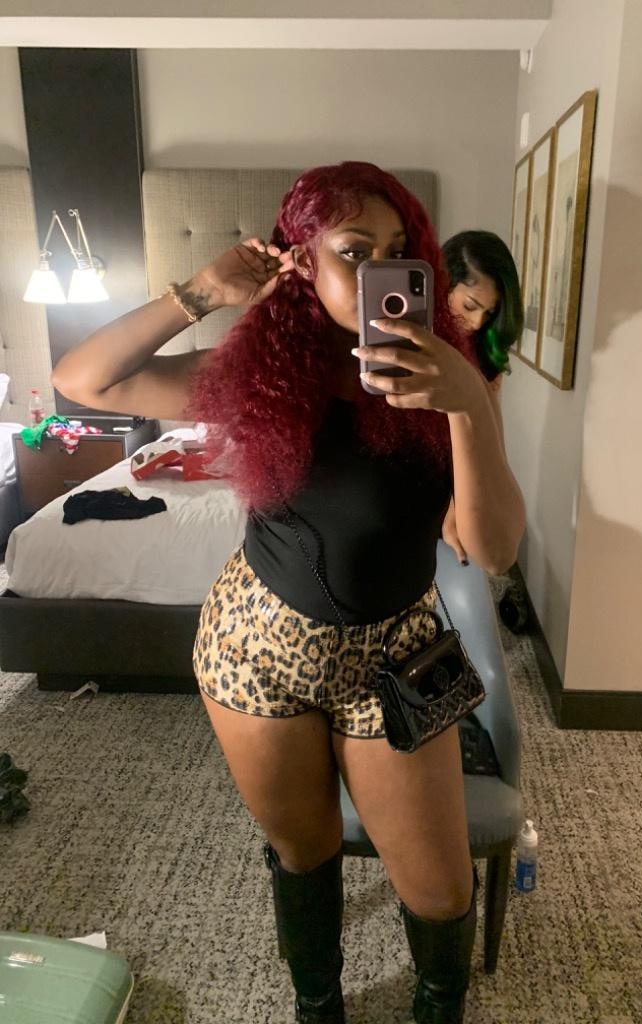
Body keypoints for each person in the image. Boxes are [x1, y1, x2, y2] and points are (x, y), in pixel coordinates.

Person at [52, 162, 526, 1024]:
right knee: (303, 850)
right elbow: (85, 382)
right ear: (302, 260)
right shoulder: (259, 373)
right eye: (355, 251)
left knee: (440, 886)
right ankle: (318, 1006)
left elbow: (492, 549)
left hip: (399, 652)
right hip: (256, 649)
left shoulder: (452, 375)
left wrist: (467, 407)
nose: (383, 270)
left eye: (399, 250)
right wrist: (200, 293)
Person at [441, 230, 523, 568]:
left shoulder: (484, 359)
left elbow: (489, 449)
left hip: (455, 490)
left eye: (489, 313)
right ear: (443, 286)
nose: (476, 323)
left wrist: (455, 506)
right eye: (470, 306)